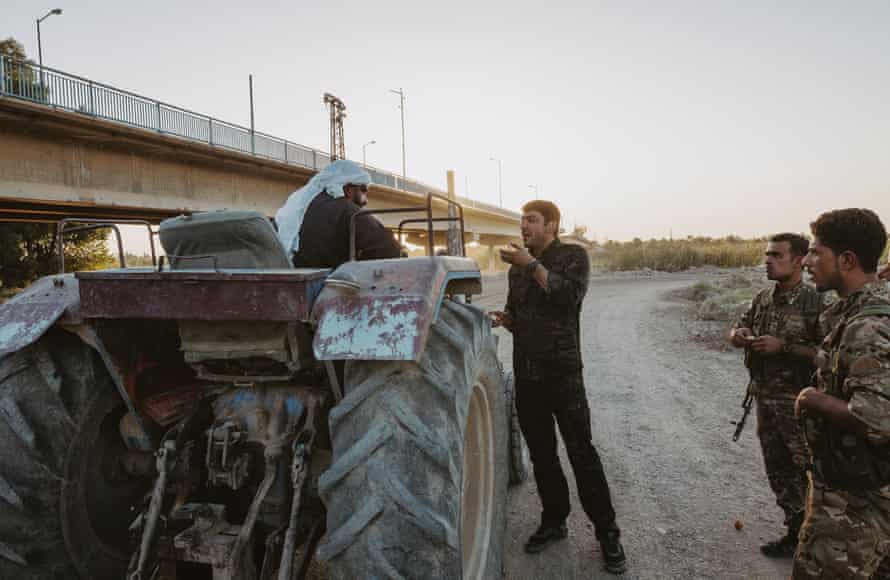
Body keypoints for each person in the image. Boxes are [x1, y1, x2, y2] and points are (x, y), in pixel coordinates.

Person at [489, 200, 627, 574]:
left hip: (563, 376)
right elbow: (517, 314)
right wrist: (506, 319)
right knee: (543, 456)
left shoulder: (572, 256)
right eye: (522, 220)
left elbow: (567, 296)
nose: (523, 226)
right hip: (529, 377)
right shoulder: (516, 272)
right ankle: (554, 520)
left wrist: (531, 265)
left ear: (551, 224)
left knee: (582, 454)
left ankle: (607, 533)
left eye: (531, 220)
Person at [793, 208, 890, 579]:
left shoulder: (867, 325)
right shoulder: (856, 313)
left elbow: (877, 418)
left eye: (817, 252)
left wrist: (813, 399)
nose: (807, 262)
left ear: (847, 260)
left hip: (857, 507)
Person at [729, 234, 826, 557]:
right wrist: (739, 335)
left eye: (776, 255)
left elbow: (827, 356)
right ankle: (795, 531)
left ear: (799, 260)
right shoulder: (763, 298)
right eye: (766, 255)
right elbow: (738, 328)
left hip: (802, 406)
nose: (767, 260)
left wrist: (783, 347)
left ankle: (818, 542)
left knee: (811, 473)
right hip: (765, 399)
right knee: (779, 471)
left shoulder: (817, 303)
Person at [275, 159, 402, 268]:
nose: (366, 200)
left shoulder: (304, 206)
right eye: (363, 190)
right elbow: (390, 249)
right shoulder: (347, 210)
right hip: (339, 284)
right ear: (347, 188)